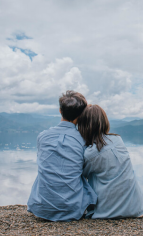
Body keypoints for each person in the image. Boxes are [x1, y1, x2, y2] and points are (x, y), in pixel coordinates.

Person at [27, 91, 97, 221]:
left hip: (42, 209)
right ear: (82, 115)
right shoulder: (83, 140)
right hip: (73, 209)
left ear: (60, 111)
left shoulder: (42, 136)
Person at [78, 104, 143, 219]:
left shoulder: (90, 153)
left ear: (84, 126)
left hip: (108, 212)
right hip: (136, 208)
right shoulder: (118, 140)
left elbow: (81, 176)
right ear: (105, 122)